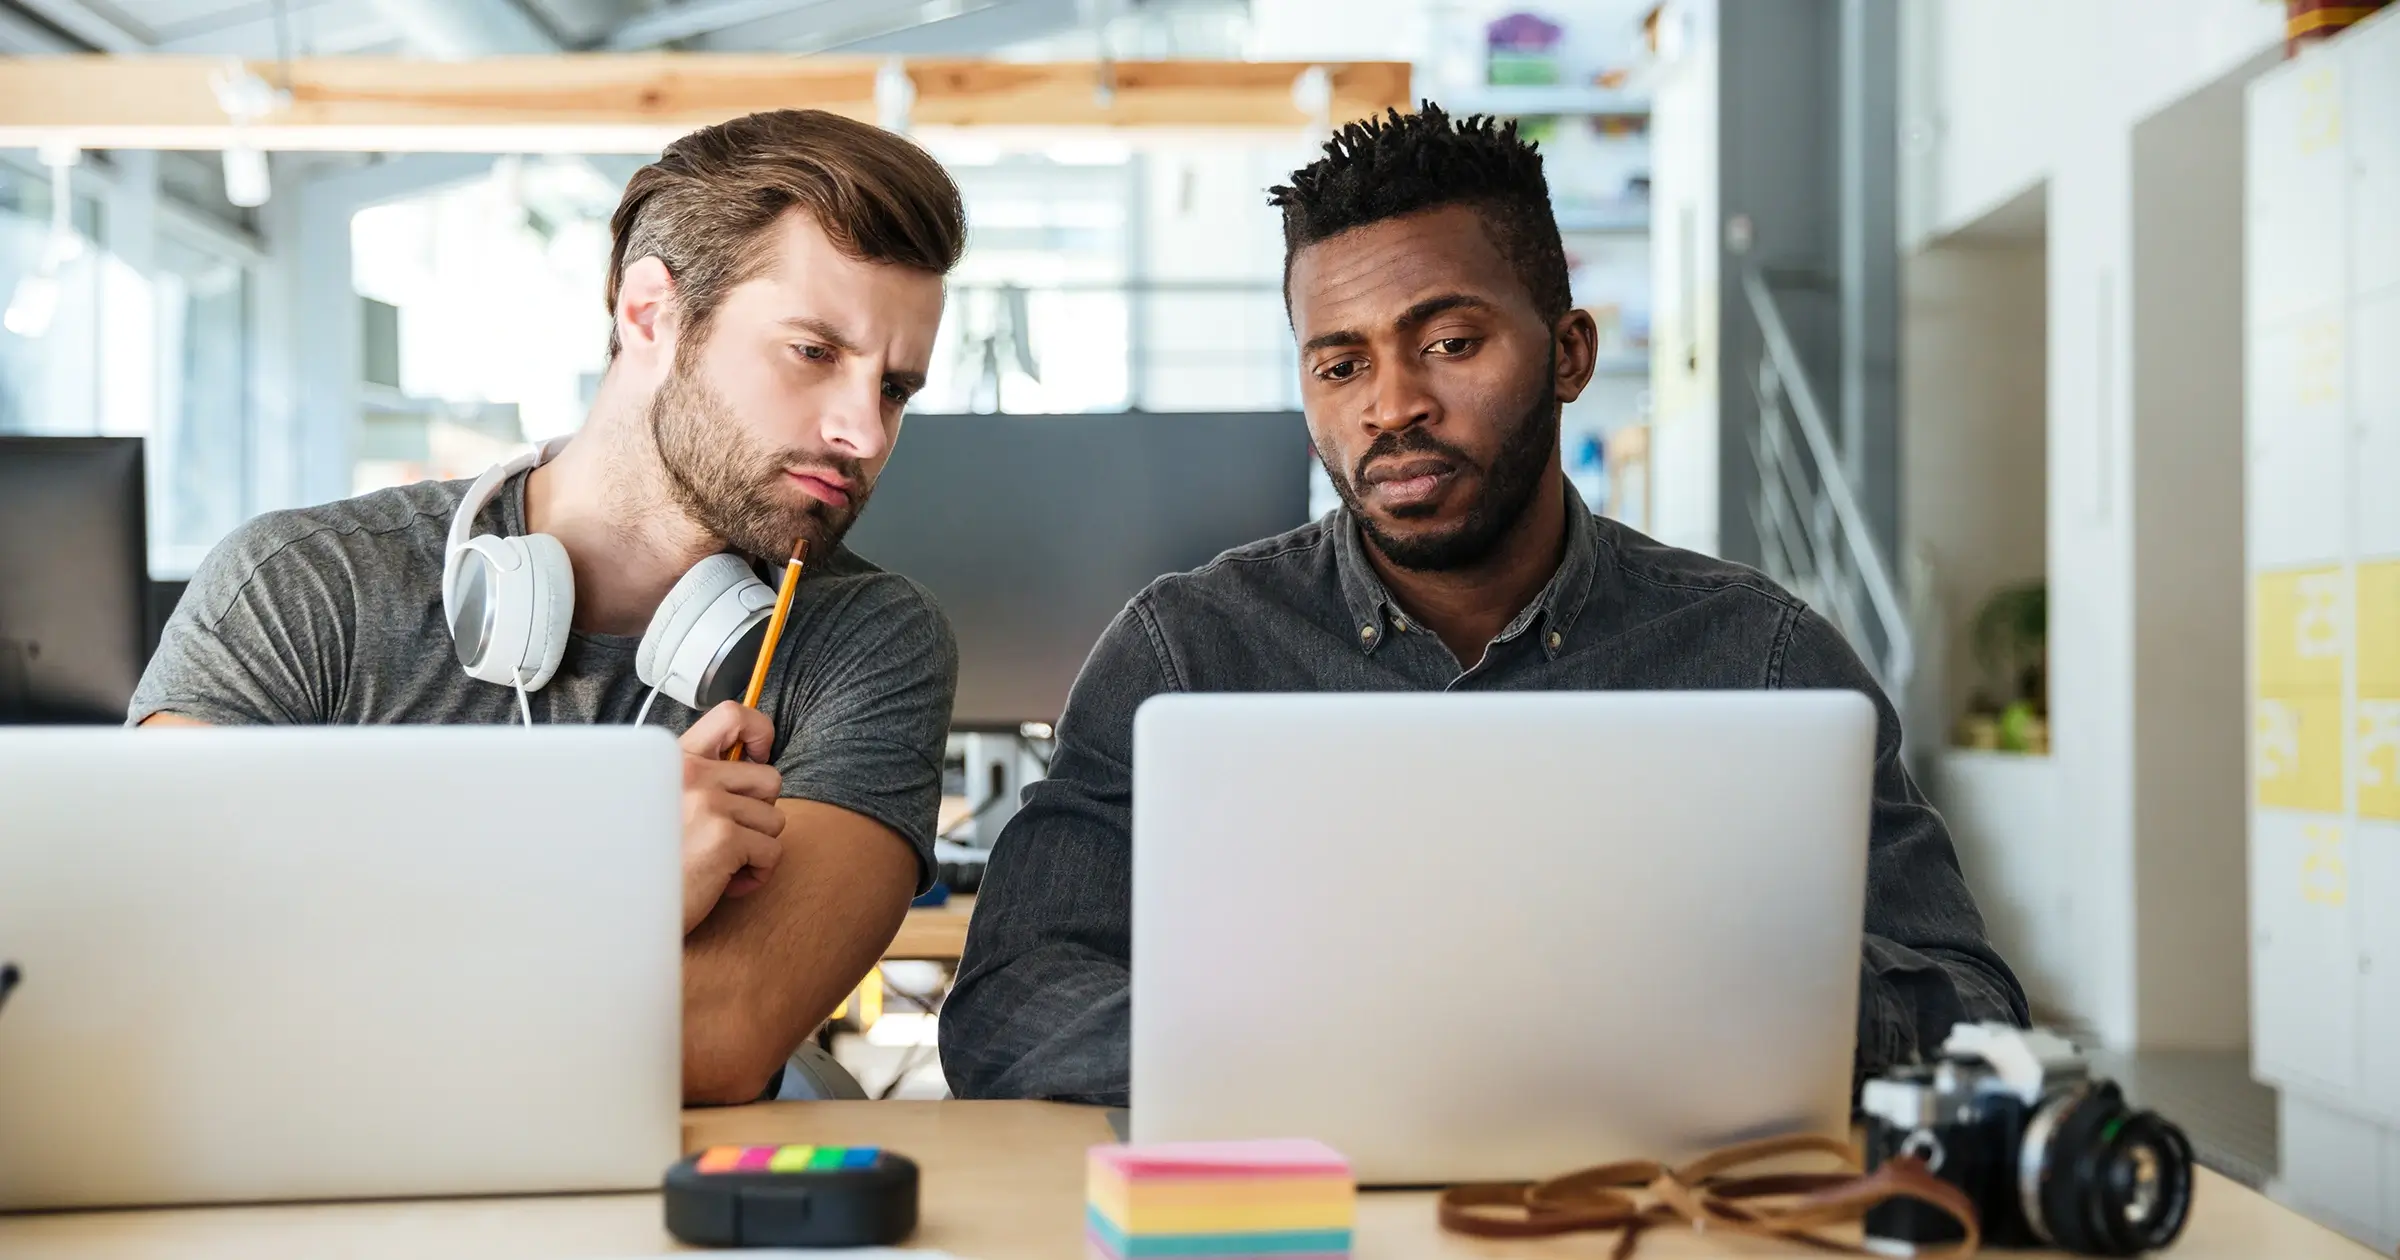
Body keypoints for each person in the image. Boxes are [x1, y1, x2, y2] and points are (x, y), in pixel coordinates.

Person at [940, 104, 2027, 1106]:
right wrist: (1336, 1048)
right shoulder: (1185, 652)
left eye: (1450, 343)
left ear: (1568, 354)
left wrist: (1709, 996)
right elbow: (1007, 1002)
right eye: (1339, 364)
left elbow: (1975, 1008)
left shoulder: (1764, 656)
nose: (1392, 405)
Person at [132, 110, 966, 1105]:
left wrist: (337, 967)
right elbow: (153, 984)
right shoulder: (301, 586)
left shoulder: (870, 642)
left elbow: (717, 1036)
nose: (864, 432)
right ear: (651, 313)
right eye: (813, 352)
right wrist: (601, 876)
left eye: (898, 388)